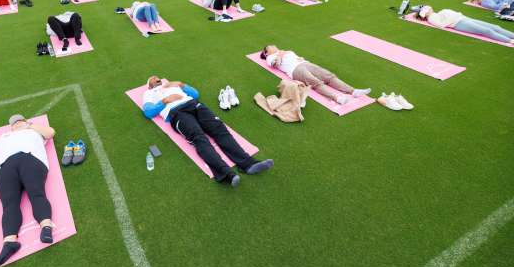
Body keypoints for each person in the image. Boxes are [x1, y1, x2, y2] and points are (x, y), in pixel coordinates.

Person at [142, 76, 274, 186]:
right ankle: (226, 173)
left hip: (194, 104)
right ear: (149, 85)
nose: (156, 78)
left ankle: (248, 164)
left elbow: (195, 94)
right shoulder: (149, 93)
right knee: (198, 137)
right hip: (176, 113)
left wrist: (182, 85)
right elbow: (148, 112)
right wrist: (165, 101)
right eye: (152, 79)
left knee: (219, 129)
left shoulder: (172, 85)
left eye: (158, 77)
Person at [0, 114, 56, 266]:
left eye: (19, 121)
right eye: (14, 123)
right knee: (9, 205)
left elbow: (50, 132)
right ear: (10, 127)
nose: (16, 124)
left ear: (26, 121)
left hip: (30, 159)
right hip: (6, 166)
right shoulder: (4, 137)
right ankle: (9, 242)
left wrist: (29, 126)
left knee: (36, 193)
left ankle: (46, 227)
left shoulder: (34, 131)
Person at [261, 45, 371, 105]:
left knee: (328, 76)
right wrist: (280, 53)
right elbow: (277, 64)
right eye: (270, 46)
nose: (273, 45)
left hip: (305, 63)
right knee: (315, 82)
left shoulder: (286, 51)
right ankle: (337, 98)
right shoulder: (270, 58)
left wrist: (300, 58)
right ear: (266, 52)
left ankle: (353, 91)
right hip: (295, 70)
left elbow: (296, 57)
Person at [415, 5, 514, 44]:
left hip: (464, 18)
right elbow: (441, 25)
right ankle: (510, 40)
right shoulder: (431, 18)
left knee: (495, 27)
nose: (429, 8)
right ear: (424, 14)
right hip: (459, 23)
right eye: (426, 9)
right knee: (487, 31)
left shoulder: (437, 13)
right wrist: (451, 18)